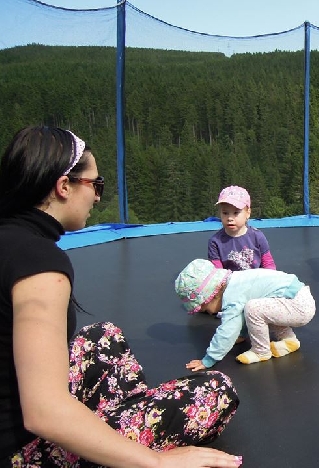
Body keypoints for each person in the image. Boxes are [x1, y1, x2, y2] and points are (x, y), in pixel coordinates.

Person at [0, 126, 242, 467]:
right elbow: (43, 412)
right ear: (64, 186)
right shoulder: (39, 264)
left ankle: (119, 427)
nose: (98, 197)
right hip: (19, 455)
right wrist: (155, 461)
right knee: (214, 392)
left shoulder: (10, 238)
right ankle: (124, 442)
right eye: (95, 185)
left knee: (104, 337)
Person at [175, 259, 315, 368]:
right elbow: (242, 315)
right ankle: (289, 341)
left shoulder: (232, 295)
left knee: (253, 308)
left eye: (205, 309)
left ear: (213, 295)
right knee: (265, 307)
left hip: (298, 306)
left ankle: (261, 351)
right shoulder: (236, 281)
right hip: (296, 299)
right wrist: (242, 335)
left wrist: (209, 359)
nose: (210, 313)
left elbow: (228, 329)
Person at [208, 185, 276, 271]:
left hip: (257, 278)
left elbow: (268, 264)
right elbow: (217, 272)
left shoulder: (257, 236)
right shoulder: (215, 242)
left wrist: (270, 277)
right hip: (230, 279)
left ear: (248, 213)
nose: (230, 218)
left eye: (236, 213)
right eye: (225, 213)